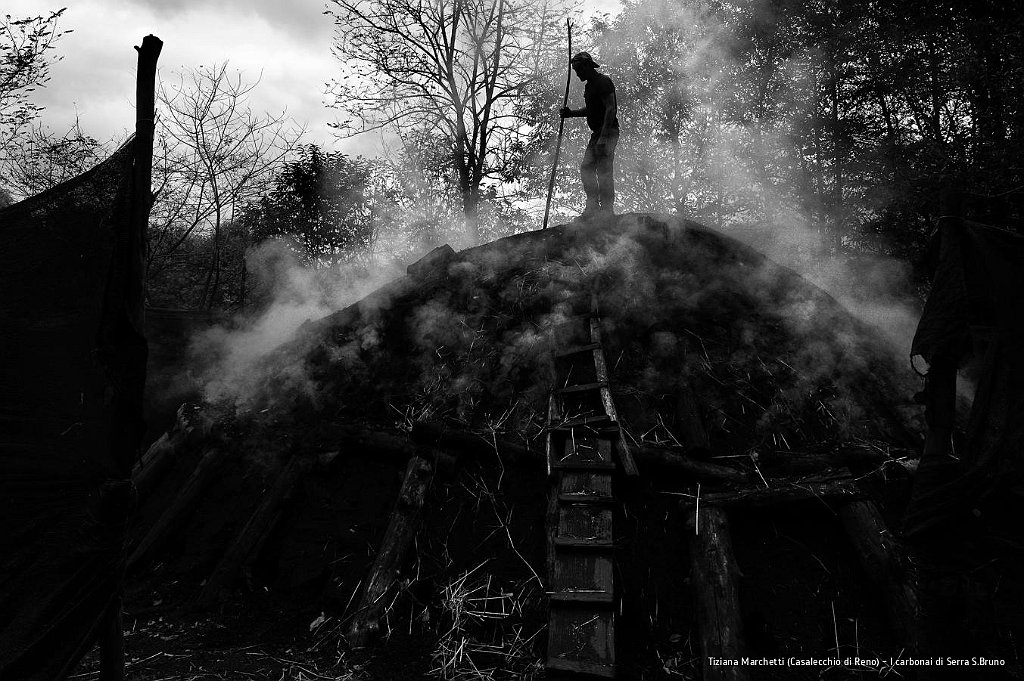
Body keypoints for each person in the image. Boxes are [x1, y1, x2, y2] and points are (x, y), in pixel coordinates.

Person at [559, 51, 619, 220]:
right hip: (597, 134)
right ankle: (592, 206)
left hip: (608, 132)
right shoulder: (590, 86)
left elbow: (611, 108)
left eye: (578, 69)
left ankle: (607, 210)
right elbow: (591, 110)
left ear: (586, 66)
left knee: (604, 170)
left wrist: (604, 137)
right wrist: (571, 114)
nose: (577, 74)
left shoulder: (603, 82)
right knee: (586, 168)